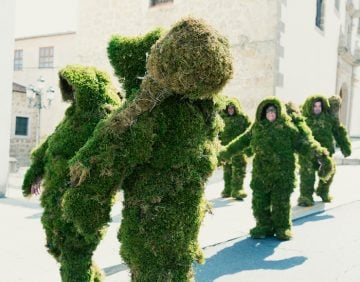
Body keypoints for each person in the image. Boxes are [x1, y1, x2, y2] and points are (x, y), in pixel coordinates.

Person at [21, 65, 121, 281]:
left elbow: (113, 157)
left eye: (77, 88)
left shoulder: (105, 120)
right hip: (54, 200)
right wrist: (34, 175)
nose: (73, 93)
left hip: (82, 202)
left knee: (75, 255)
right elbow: (48, 148)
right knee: (57, 247)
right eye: (71, 89)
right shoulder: (69, 120)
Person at [219, 97, 334, 240]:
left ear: (279, 112)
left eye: (274, 111)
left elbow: (304, 144)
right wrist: (224, 153)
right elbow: (241, 142)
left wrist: (320, 156)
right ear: (263, 112)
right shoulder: (256, 127)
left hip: (283, 174)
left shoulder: (288, 129)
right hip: (261, 174)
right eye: (268, 111)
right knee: (260, 202)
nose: (271, 114)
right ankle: (263, 226)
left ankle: (282, 227)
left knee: (281, 203)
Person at [298, 95, 351, 206]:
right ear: (310, 107)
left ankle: (323, 191)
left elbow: (339, 131)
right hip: (308, 153)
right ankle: (305, 196)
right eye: (314, 106)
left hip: (326, 152)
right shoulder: (304, 119)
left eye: (319, 106)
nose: (317, 108)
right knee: (307, 175)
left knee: (330, 171)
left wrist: (345, 147)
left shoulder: (329, 118)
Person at [219, 97, 251, 200]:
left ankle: (237, 190)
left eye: (232, 108)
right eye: (229, 108)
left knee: (239, 170)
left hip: (239, 150)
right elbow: (217, 133)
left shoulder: (243, 118)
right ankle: (227, 190)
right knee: (227, 171)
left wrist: (249, 149)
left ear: (236, 108)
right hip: (226, 150)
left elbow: (250, 132)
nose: (231, 110)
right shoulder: (222, 119)